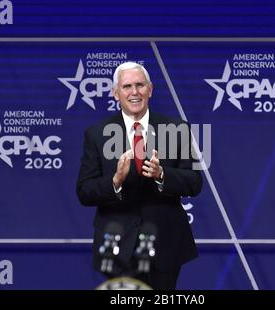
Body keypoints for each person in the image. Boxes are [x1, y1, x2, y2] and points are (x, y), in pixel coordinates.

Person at [76, 62, 202, 290]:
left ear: (150, 90)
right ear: (116, 93)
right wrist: (115, 181)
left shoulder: (177, 129)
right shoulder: (96, 134)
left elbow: (195, 182)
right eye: (127, 86)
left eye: (139, 85)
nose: (134, 92)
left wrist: (162, 174)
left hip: (165, 243)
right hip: (117, 245)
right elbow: (84, 191)